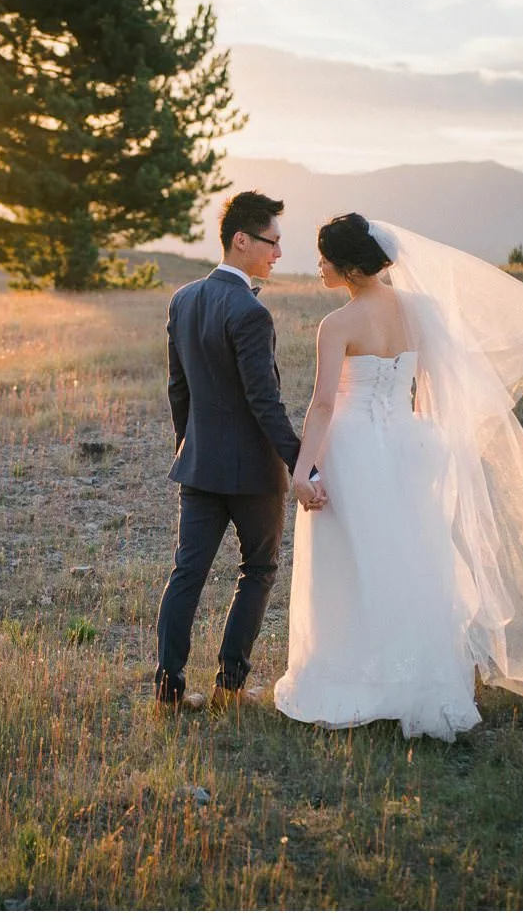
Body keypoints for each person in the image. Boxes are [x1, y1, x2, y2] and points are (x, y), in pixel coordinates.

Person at [274, 213, 523, 741]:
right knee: (411, 560)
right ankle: (414, 678)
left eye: (324, 257)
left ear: (347, 266)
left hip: (351, 452)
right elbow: (439, 383)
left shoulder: (337, 325)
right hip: (409, 449)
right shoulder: (420, 311)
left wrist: (303, 471)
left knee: (352, 563)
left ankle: (352, 679)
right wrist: (428, 441)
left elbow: (322, 406)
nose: (318, 266)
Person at [155, 191, 326, 713]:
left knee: (188, 572)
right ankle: (230, 686)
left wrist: (190, 444)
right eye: (272, 243)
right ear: (242, 240)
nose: (277, 254)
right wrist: (304, 463)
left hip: (199, 465)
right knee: (258, 570)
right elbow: (265, 403)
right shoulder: (250, 311)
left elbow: (178, 390)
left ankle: (169, 690)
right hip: (253, 474)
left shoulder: (183, 299)